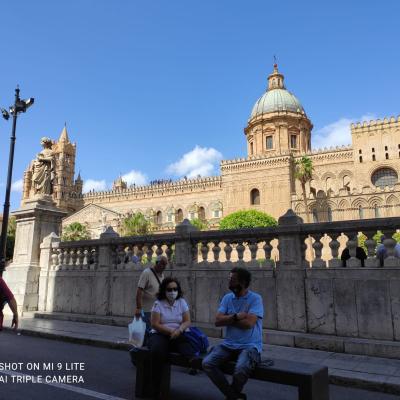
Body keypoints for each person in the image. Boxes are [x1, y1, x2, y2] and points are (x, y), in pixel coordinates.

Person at [202, 267, 263, 400]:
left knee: (240, 369)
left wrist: (227, 319)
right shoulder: (227, 298)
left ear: (242, 282)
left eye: (232, 279)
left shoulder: (255, 299)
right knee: (207, 363)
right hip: (228, 345)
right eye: (229, 278)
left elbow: (249, 324)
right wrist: (236, 317)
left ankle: (232, 396)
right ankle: (234, 396)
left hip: (249, 346)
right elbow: (217, 321)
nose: (229, 282)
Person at [148, 277, 196, 398]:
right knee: (157, 352)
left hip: (178, 333)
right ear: (164, 290)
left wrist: (179, 330)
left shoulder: (181, 302)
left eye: (175, 289)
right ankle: (155, 389)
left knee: (186, 347)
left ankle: (193, 362)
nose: (172, 292)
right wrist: (171, 331)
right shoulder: (158, 304)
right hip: (160, 333)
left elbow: (187, 321)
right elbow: (155, 324)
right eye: (169, 289)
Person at [135, 255, 168, 332]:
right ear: (157, 263)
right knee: (146, 331)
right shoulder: (146, 273)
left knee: (154, 332)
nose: (164, 267)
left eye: (165, 264)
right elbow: (139, 290)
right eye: (163, 264)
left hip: (157, 310)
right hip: (147, 310)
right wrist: (138, 308)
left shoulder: (162, 275)